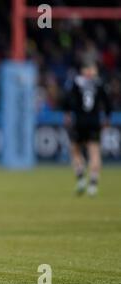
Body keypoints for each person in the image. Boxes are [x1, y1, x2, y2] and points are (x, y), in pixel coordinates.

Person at [64, 61, 112, 196]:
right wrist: (107, 118)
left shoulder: (76, 82)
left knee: (75, 150)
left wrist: (67, 114)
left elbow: (67, 100)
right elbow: (108, 104)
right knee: (95, 152)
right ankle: (93, 185)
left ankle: (80, 179)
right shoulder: (99, 83)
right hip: (95, 122)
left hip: (79, 122)